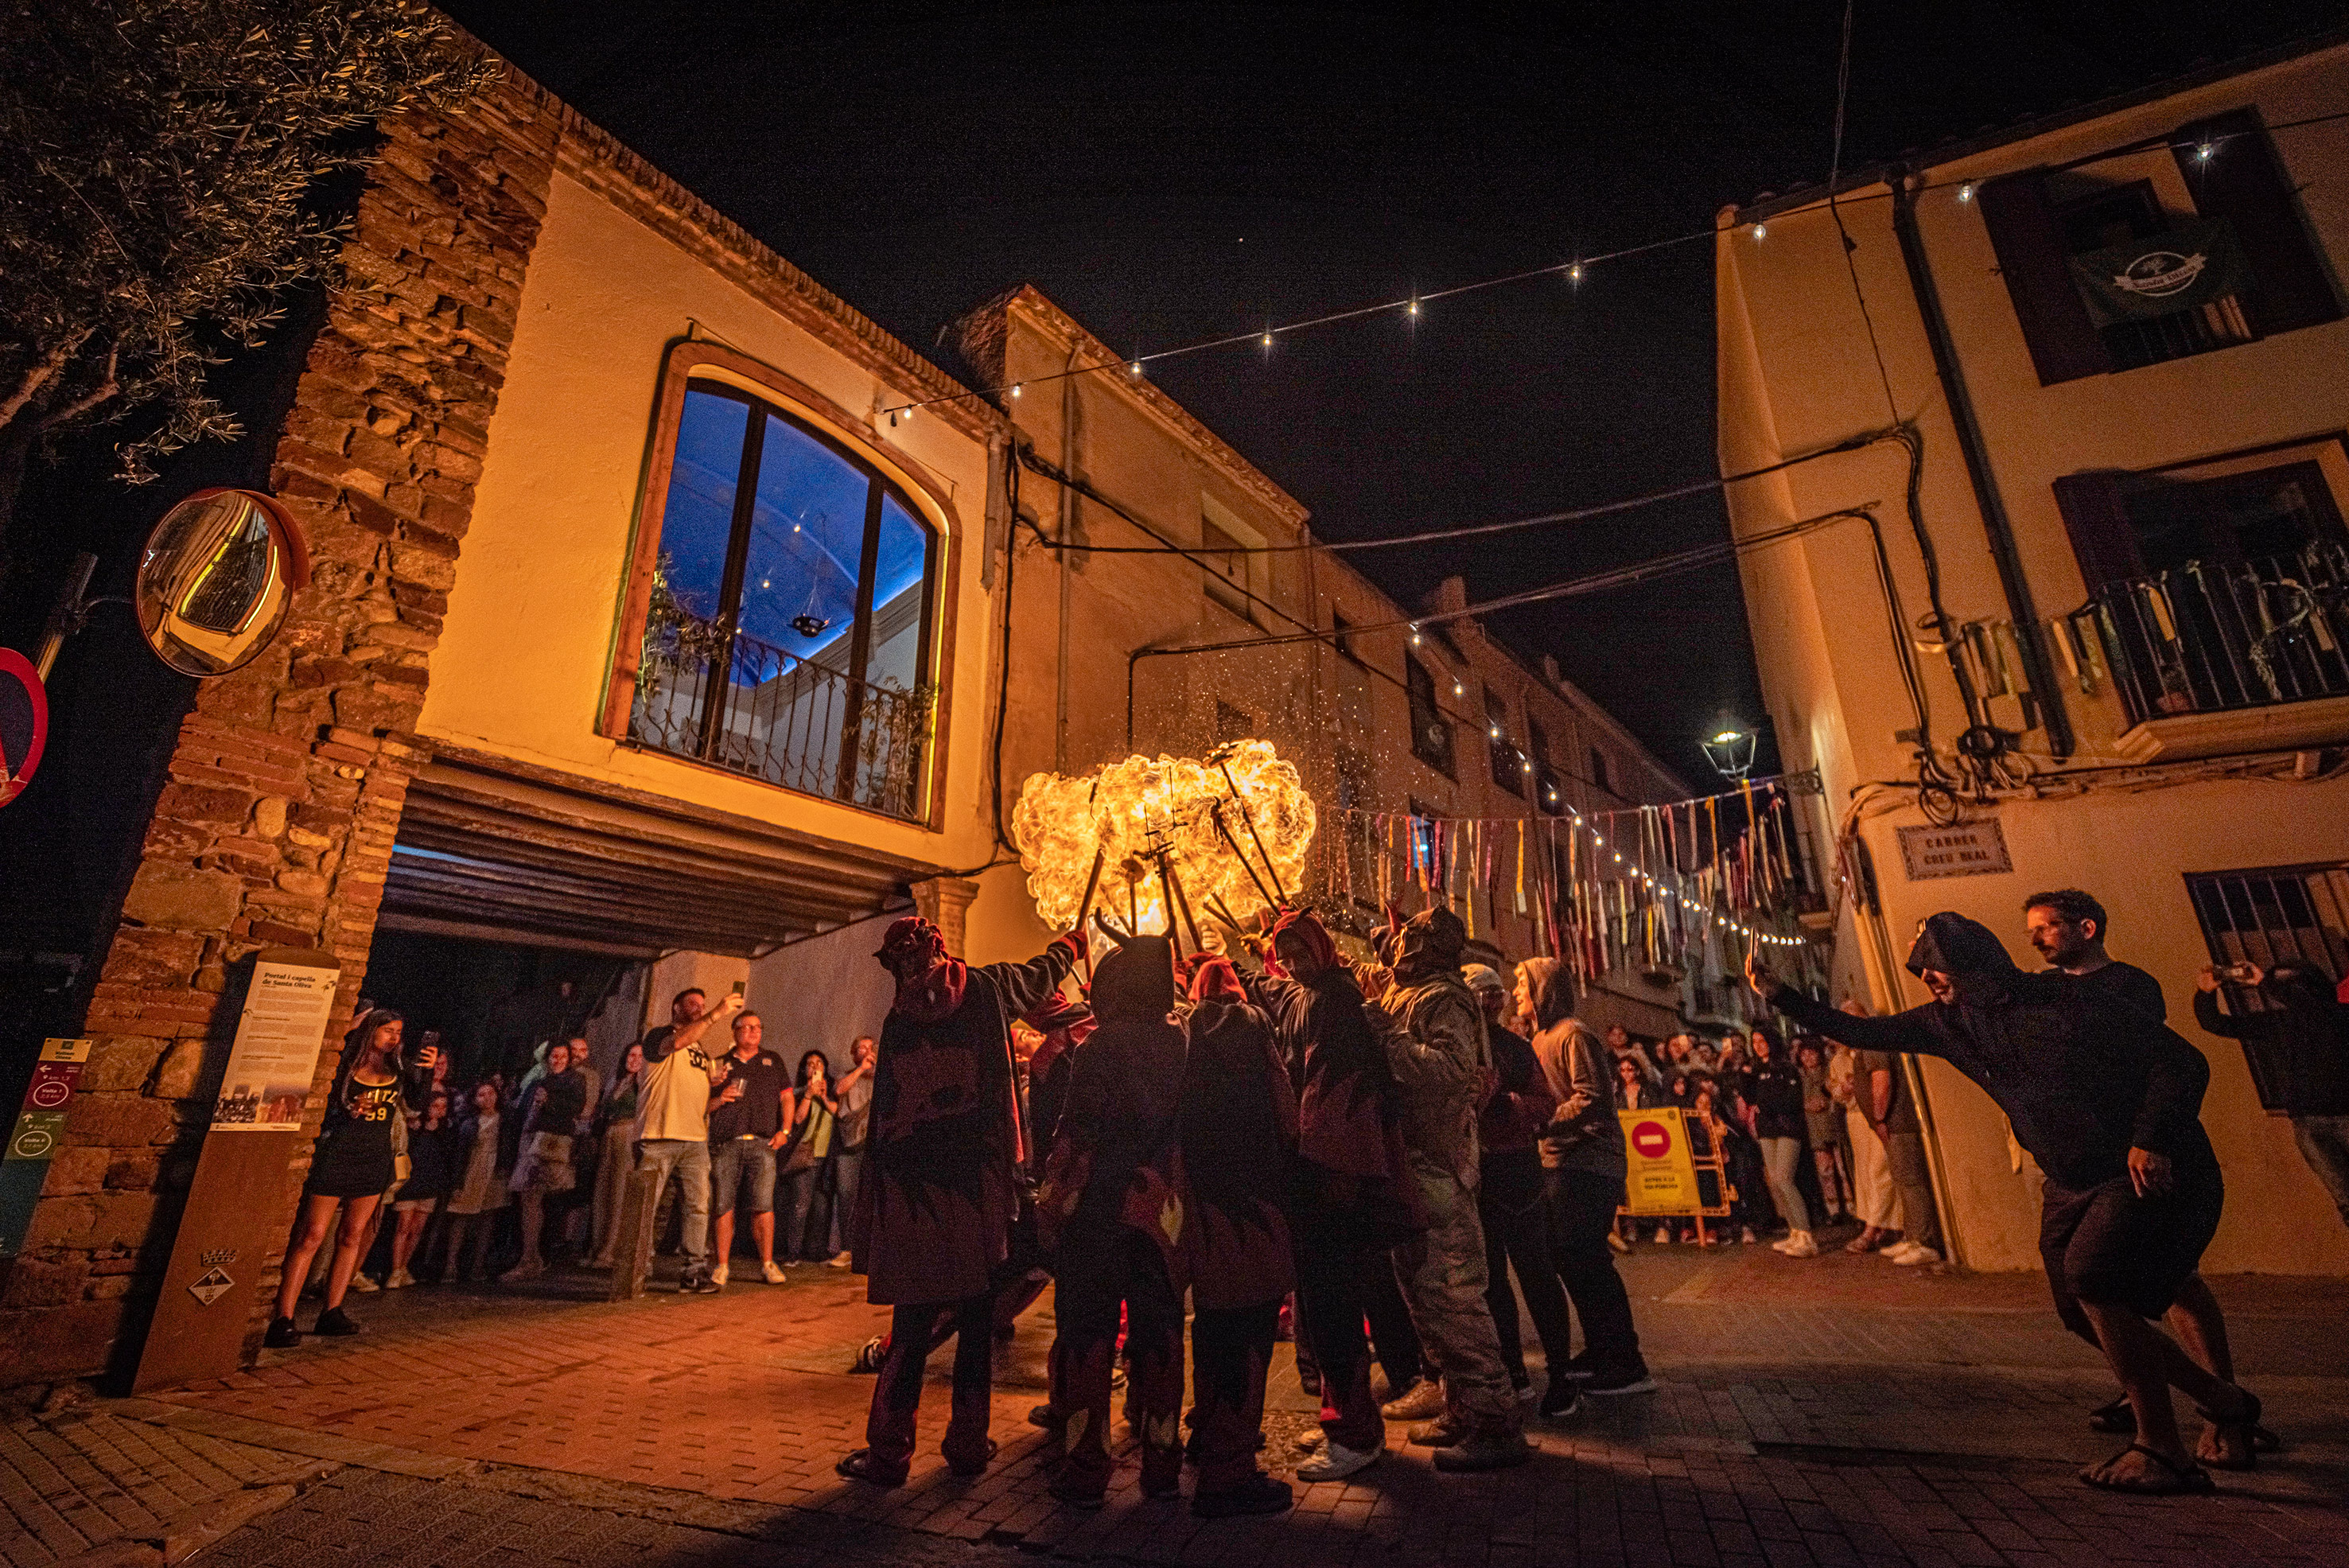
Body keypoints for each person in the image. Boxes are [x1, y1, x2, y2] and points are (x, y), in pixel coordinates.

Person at [1749, 917, 2263, 1496]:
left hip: (2134, 1167)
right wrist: (1779, 994)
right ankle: (2223, 1401)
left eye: (1937, 964)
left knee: (2095, 1277)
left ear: (1977, 961)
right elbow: (1863, 1031)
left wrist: (2151, 1136)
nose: (1928, 978)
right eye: (1921, 969)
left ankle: (2161, 1448)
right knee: (2075, 1307)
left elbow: (2183, 1061)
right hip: (2068, 1181)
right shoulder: (1948, 1024)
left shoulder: (2066, 1000)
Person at [836, 915, 1082, 1488]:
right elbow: (1040, 976)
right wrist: (1071, 944)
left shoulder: (900, 1016)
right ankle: (967, 1445)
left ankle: (889, 1452)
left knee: (915, 1323)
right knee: (973, 1321)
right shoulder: (987, 987)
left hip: (916, 1193)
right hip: (977, 1188)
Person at [2025, 889, 2259, 1450]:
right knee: (2107, 1287)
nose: (2035, 937)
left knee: (2174, 1280)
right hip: (2092, 1158)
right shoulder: (2048, 992)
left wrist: (2147, 1138)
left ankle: (2219, 1404)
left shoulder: (2129, 986)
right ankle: (2157, 1392)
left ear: (2085, 926)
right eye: (2030, 929)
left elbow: (2153, 1065)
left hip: (2139, 1151)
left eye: (2047, 926)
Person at [1355, 907, 1530, 1472]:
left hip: (1437, 1170)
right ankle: (1462, 1405)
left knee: (1453, 1297)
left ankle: (1495, 1418)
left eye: (1410, 934)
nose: (1397, 938)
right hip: (1406, 1164)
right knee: (1424, 1299)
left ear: (1430, 946)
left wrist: (1385, 1035)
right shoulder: (1407, 993)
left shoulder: (1444, 998)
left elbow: (1447, 1074)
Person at [1035, 932, 1188, 1508]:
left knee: (1087, 1332)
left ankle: (1087, 1461)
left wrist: (1054, 1196)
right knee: (1161, 1332)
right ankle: (1161, 1457)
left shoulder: (1102, 1046)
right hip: (1162, 1211)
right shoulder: (1182, 1042)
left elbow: (1078, 1129)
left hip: (1100, 1208)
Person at [1178, 956, 1298, 1517]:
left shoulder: (1182, 1034)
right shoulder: (1256, 1027)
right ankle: (1229, 1473)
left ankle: (1206, 1435)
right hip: (1256, 1204)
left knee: (1212, 1326)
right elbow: (1286, 1112)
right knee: (1249, 1333)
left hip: (1205, 1205)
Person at [1522, 957, 1652, 1399]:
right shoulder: (1539, 1037)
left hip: (1590, 1164)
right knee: (1569, 1257)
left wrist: (1542, 1123)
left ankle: (1626, 1362)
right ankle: (1602, 1349)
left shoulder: (1573, 1034)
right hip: (1560, 1162)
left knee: (1586, 1258)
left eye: (1522, 983)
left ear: (1543, 990)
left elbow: (1592, 1097)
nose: (1515, 991)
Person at [266, 1009, 436, 1346]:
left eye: (399, 1032)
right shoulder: (346, 1066)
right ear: (371, 1031)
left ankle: (333, 1310)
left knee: (352, 1236)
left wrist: (427, 1073)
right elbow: (324, 1105)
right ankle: (283, 1317)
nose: (394, 1037)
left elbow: (417, 1105)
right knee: (312, 1236)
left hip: (374, 1158)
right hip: (338, 1155)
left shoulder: (397, 1068)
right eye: (388, 1030)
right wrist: (346, 1110)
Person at [1464, 963, 1576, 1416]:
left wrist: (1511, 1104)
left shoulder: (1514, 1047)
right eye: (1480, 993)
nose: (1491, 1000)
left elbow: (1546, 1102)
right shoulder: (1455, 1046)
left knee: (1535, 1272)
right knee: (1491, 1280)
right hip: (1476, 1172)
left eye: (1496, 992)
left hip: (1517, 1169)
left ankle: (1561, 1375)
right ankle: (1512, 1372)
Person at [632, 987, 746, 1294]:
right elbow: (678, 1042)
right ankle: (635, 1271)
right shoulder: (657, 1036)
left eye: (703, 1005)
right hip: (659, 1136)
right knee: (647, 1207)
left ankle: (693, 1273)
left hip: (695, 1139)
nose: (699, 1008)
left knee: (698, 1207)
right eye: (692, 1004)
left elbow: (696, 1088)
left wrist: (715, 1083)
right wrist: (716, 1014)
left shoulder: (702, 1051)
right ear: (675, 1007)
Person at [706, 1014, 791, 1286]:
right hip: (727, 1142)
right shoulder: (720, 1064)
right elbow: (702, 1106)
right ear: (735, 1032)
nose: (755, 1031)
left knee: (763, 1205)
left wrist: (785, 1131)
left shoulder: (772, 1060)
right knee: (723, 1205)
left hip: (763, 1143)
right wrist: (721, 1098)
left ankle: (767, 1264)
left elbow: (787, 1097)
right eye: (748, 1027)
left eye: (758, 1026)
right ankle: (721, 1266)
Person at [503, 1039, 586, 1281]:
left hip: (548, 1147)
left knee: (540, 1202)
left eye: (562, 1057)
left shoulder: (573, 1081)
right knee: (529, 1201)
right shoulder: (539, 1082)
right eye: (554, 1056)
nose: (558, 1061)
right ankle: (530, 1257)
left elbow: (575, 1108)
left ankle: (533, 1258)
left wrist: (548, 1102)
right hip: (531, 1143)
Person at [1852, 1041, 1940, 1265]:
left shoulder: (1872, 1044)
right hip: (1894, 1125)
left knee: (1911, 1182)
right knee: (1903, 1181)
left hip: (1897, 1124)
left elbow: (1882, 1081)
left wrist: (1880, 1118)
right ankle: (1912, 1236)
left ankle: (1924, 1242)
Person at [1746, 1030, 1818, 1256]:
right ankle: (1794, 1231)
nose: (1759, 1046)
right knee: (1776, 1183)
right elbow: (1750, 1098)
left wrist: (1765, 1104)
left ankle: (1806, 1236)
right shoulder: (1757, 1070)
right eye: (1755, 1042)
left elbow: (1791, 1100)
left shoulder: (1786, 1068)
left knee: (1785, 1179)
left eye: (1762, 1041)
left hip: (1787, 1128)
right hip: (1767, 1130)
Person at [387, 1087, 457, 1287]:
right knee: (403, 1226)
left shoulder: (447, 1130)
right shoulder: (415, 1128)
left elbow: (448, 1157)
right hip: (410, 1183)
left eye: (443, 1106)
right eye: (435, 1106)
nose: (439, 1110)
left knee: (417, 1229)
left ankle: (404, 1267)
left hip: (431, 1184)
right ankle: (395, 1270)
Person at [441, 1080, 510, 1280]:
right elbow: (460, 1153)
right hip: (473, 1169)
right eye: (482, 1095)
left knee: (487, 1219)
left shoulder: (505, 1119)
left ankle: (478, 1266)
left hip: (495, 1171)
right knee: (461, 1216)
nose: (487, 1098)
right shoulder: (469, 1121)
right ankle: (451, 1265)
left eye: (491, 1093)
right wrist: (457, 1181)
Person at [589, 1042, 648, 1267]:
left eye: (640, 1056)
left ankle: (611, 1249)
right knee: (602, 1190)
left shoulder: (641, 1084)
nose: (634, 1060)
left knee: (619, 1191)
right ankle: (598, 1246)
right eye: (631, 1055)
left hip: (628, 1132)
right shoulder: (617, 1082)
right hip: (610, 1133)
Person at [780, 1049, 839, 1264]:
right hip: (805, 1156)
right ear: (804, 1069)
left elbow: (838, 1113)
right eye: (810, 1063)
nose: (815, 1067)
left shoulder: (833, 1091)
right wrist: (808, 1095)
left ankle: (815, 1251)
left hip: (826, 1158)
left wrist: (823, 1096)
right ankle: (793, 1253)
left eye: (819, 1063)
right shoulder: (797, 1093)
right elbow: (797, 1119)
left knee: (821, 1207)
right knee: (800, 1205)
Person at [827, 1036, 877, 1266]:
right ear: (853, 1053)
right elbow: (839, 1090)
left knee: (875, 1197)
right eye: (862, 1048)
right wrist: (860, 1069)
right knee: (847, 1197)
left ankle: (872, 1251)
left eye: (871, 1048)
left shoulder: (883, 1076)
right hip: (849, 1144)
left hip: (874, 1144)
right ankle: (847, 1249)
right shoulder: (847, 1074)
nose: (867, 1052)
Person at [1795, 1039, 1849, 1224]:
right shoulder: (1800, 1078)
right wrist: (1806, 1105)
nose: (1808, 1058)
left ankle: (1851, 1208)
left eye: (1812, 1053)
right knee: (1825, 1172)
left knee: (1843, 1170)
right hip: (1815, 1130)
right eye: (1804, 1054)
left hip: (1834, 1125)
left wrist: (1827, 1102)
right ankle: (1833, 1210)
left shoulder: (1829, 1070)